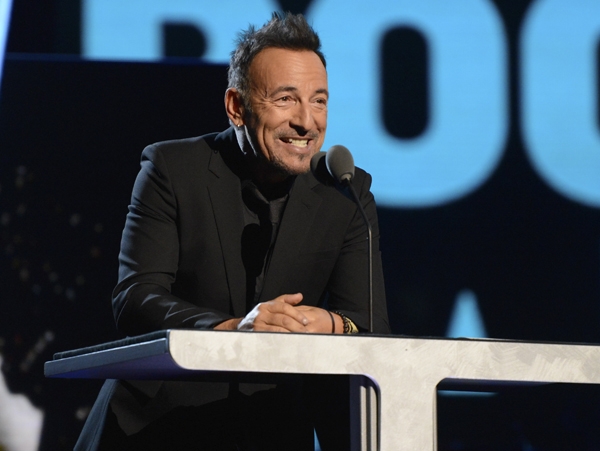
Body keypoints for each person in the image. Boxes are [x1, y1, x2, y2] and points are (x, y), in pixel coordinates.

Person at [75, 12, 389, 451]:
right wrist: (232, 329)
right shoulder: (172, 169)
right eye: (286, 98)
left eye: (319, 101)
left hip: (272, 427)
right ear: (236, 107)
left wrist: (331, 324)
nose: (307, 121)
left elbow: (369, 324)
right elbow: (135, 297)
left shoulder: (344, 190)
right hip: (157, 426)